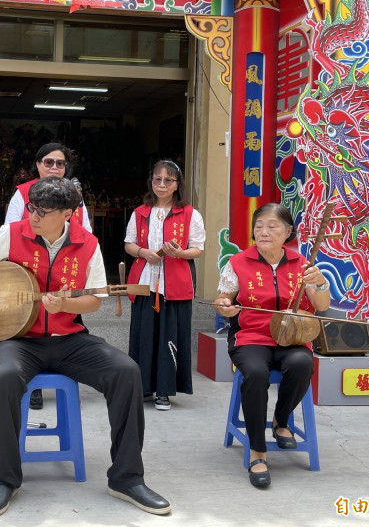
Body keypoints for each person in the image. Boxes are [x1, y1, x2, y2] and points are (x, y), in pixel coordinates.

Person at [0, 177, 171, 518]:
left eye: (43, 212)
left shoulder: (87, 244)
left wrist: (64, 307)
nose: (33, 216)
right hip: (21, 340)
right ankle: (4, 479)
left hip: (70, 339)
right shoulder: (13, 233)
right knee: (3, 378)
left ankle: (126, 477)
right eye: (32, 208)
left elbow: (93, 300)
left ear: (67, 214)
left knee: (126, 371)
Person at [214, 203, 330, 487]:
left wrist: (322, 283)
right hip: (251, 336)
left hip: (292, 337)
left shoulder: (303, 264)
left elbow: (322, 306)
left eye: (272, 226)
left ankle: (281, 420)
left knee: (302, 364)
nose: (263, 232)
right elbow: (222, 301)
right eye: (259, 226)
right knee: (255, 373)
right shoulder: (238, 262)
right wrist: (226, 307)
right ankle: (257, 451)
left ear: (288, 231)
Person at [5, 142, 91, 410]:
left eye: (60, 163)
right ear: (38, 165)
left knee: (66, 325)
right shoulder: (22, 194)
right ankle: (31, 386)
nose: (54, 167)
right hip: (29, 277)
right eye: (49, 162)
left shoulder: (75, 197)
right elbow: (8, 233)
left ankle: (66, 375)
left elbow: (87, 233)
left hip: (65, 277)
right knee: (28, 330)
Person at [124, 160, 205, 411]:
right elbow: (128, 244)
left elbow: (198, 249)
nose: (161, 184)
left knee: (170, 335)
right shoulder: (140, 212)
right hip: (146, 282)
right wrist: (142, 252)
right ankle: (143, 386)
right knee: (144, 335)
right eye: (157, 179)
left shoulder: (190, 213)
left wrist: (180, 253)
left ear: (177, 184)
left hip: (175, 285)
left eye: (168, 180)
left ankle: (165, 391)